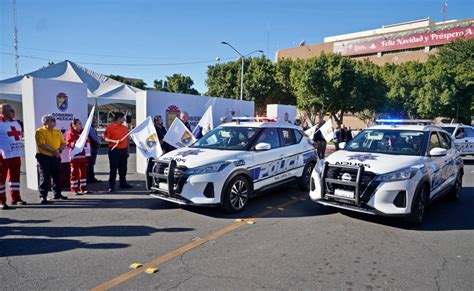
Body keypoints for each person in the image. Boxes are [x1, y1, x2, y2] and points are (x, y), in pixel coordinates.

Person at [35, 114, 68, 204]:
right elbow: (41, 144)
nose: (55, 122)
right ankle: (43, 196)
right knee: (45, 177)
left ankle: (57, 194)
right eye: (52, 120)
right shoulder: (40, 131)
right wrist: (54, 151)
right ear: (46, 122)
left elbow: (63, 143)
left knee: (57, 176)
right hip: (44, 157)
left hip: (56, 157)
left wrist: (59, 150)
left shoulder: (57, 131)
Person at [0, 103, 26, 209]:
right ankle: (1, 201)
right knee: (1, 179)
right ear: (3, 112)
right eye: (10, 110)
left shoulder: (16, 123)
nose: (12, 111)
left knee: (15, 177)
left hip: (15, 154)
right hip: (3, 155)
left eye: (12, 109)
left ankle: (16, 198)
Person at [104, 112, 132, 192]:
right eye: (123, 118)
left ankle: (123, 183)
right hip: (114, 151)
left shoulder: (125, 128)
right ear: (119, 118)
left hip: (123, 151)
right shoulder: (110, 127)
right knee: (113, 169)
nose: (124, 119)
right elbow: (106, 138)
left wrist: (128, 151)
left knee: (123, 169)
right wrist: (114, 141)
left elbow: (127, 140)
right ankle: (111, 185)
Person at [66, 119, 92, 195]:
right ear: (74, 125)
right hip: (74, 157)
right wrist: (77, 144)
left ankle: (83, 188)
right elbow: (68, 143)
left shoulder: (83, 133)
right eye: (79, 124)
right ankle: (74, 189)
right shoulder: (70, 133)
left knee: (83, 173)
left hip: (83, 156)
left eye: (81, 124)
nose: (81, 125)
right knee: (74, 173)